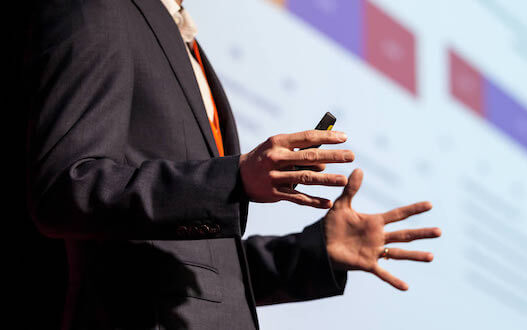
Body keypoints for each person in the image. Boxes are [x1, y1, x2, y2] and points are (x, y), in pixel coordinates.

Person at [22, 0, 441, 328]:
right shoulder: (99, 10)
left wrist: (315, 254)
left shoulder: (186, 43)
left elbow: (200, 269)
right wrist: (232, 178)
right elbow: (65, 187)